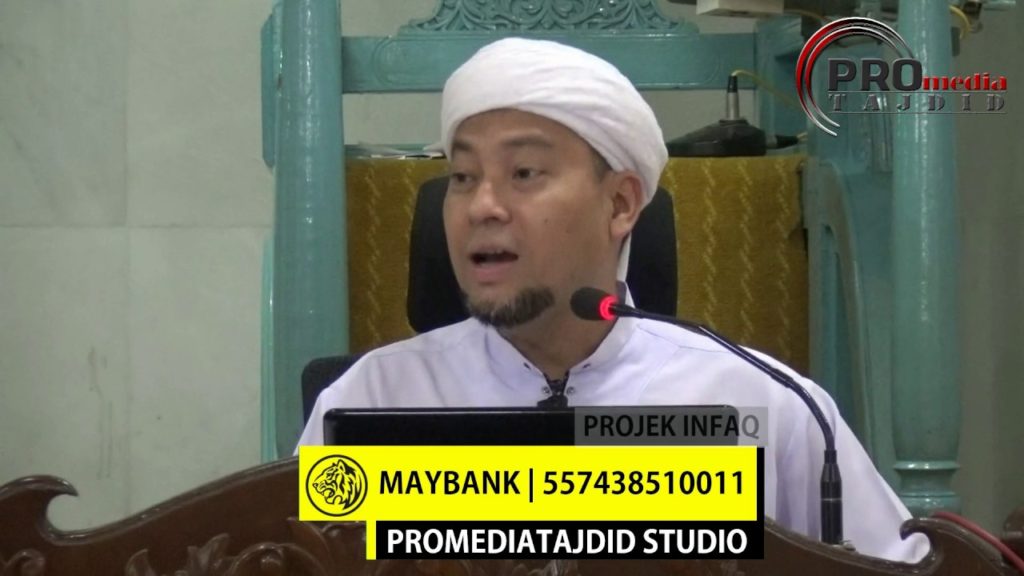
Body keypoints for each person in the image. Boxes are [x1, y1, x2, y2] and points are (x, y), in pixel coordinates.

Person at [297, 37, 929, 563]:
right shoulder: (372, 399)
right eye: (462, 177)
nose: (482, 206)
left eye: (524, 173)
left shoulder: (760, 404)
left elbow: (900, 565)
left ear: (621, 203)